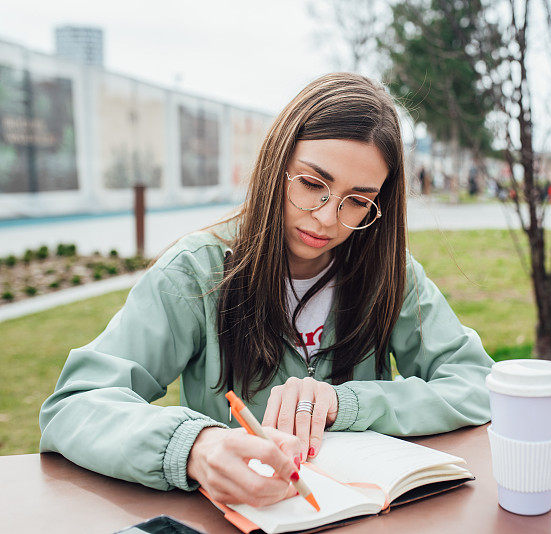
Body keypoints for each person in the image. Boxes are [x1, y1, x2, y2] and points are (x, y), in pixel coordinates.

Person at [39, 73, 494, 510]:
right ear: (275, 166)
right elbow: (75, 404)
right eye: (313, 184)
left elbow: (478, 384)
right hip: (237, 520)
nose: (326, 218)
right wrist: (195, 446)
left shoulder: (391, 275)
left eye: (358, 200)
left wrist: (347, 401)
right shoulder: (196, 271)